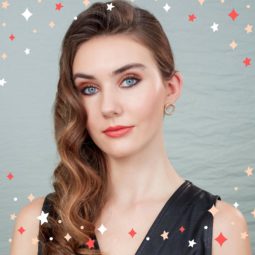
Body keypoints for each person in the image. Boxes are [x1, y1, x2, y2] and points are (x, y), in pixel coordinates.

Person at [10, 0, 252, 254]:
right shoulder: (37, 223)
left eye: (129, 81)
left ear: (171, 89)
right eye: (89, 89)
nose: (109, 107)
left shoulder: (221, 227)